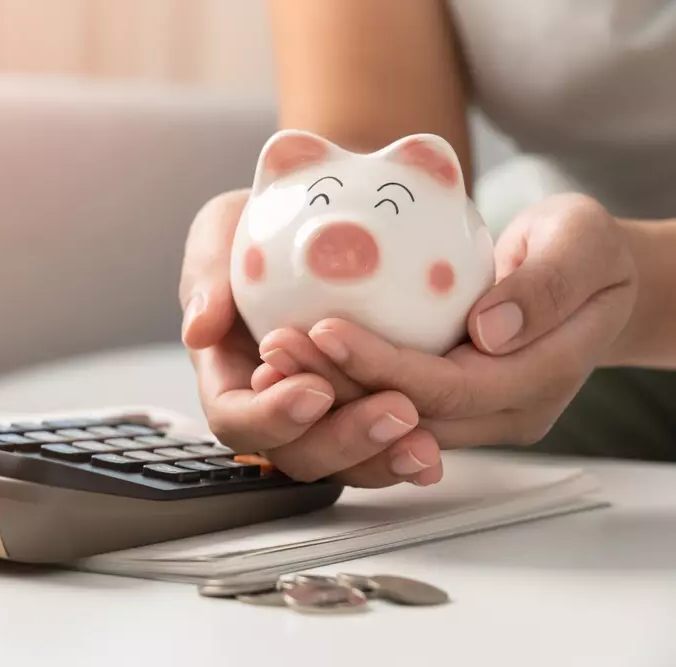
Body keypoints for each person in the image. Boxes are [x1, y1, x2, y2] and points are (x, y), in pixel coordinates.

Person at [177, 0, 676, 489]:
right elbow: (368, 149)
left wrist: (646, 295)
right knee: (455, 492)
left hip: (572, 292)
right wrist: (274, 234)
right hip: (552, 281)